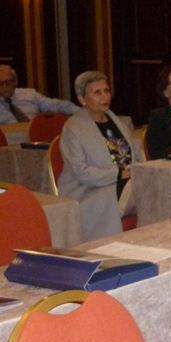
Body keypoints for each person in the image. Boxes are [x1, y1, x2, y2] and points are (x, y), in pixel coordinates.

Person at [58, 71, 141, 240]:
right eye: (97, 92)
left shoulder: (117, 121)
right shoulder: (73, 128)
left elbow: (135, 156)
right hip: (91, 192)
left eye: (107, 91)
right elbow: (82, 172)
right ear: (82, 99)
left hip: (125, 183)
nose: (105, 97)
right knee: (150, 191)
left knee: (156, 185)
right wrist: (118, 174)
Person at [0, 64, 77, 123]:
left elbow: (55, 105)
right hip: (4, 144)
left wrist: (79, 111)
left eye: (8, 82)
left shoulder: (30, 95)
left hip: (33, 139)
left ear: (16, 82)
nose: (4, 87)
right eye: (0, 83)